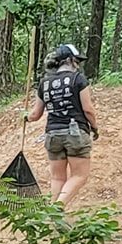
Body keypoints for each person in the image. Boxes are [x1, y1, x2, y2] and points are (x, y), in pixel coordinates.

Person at [26, 44, 101, 207]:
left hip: (52, 134)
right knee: (79, 176)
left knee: (57, 178)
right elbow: (88, 110)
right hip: (75, 133)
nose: (78, 64)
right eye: (77, 61)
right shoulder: (78, 79)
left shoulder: (44, 83)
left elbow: (35, 115)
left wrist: (25, 117)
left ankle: (54, 218)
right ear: (69, 60)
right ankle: (57, 208)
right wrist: (94, 128)